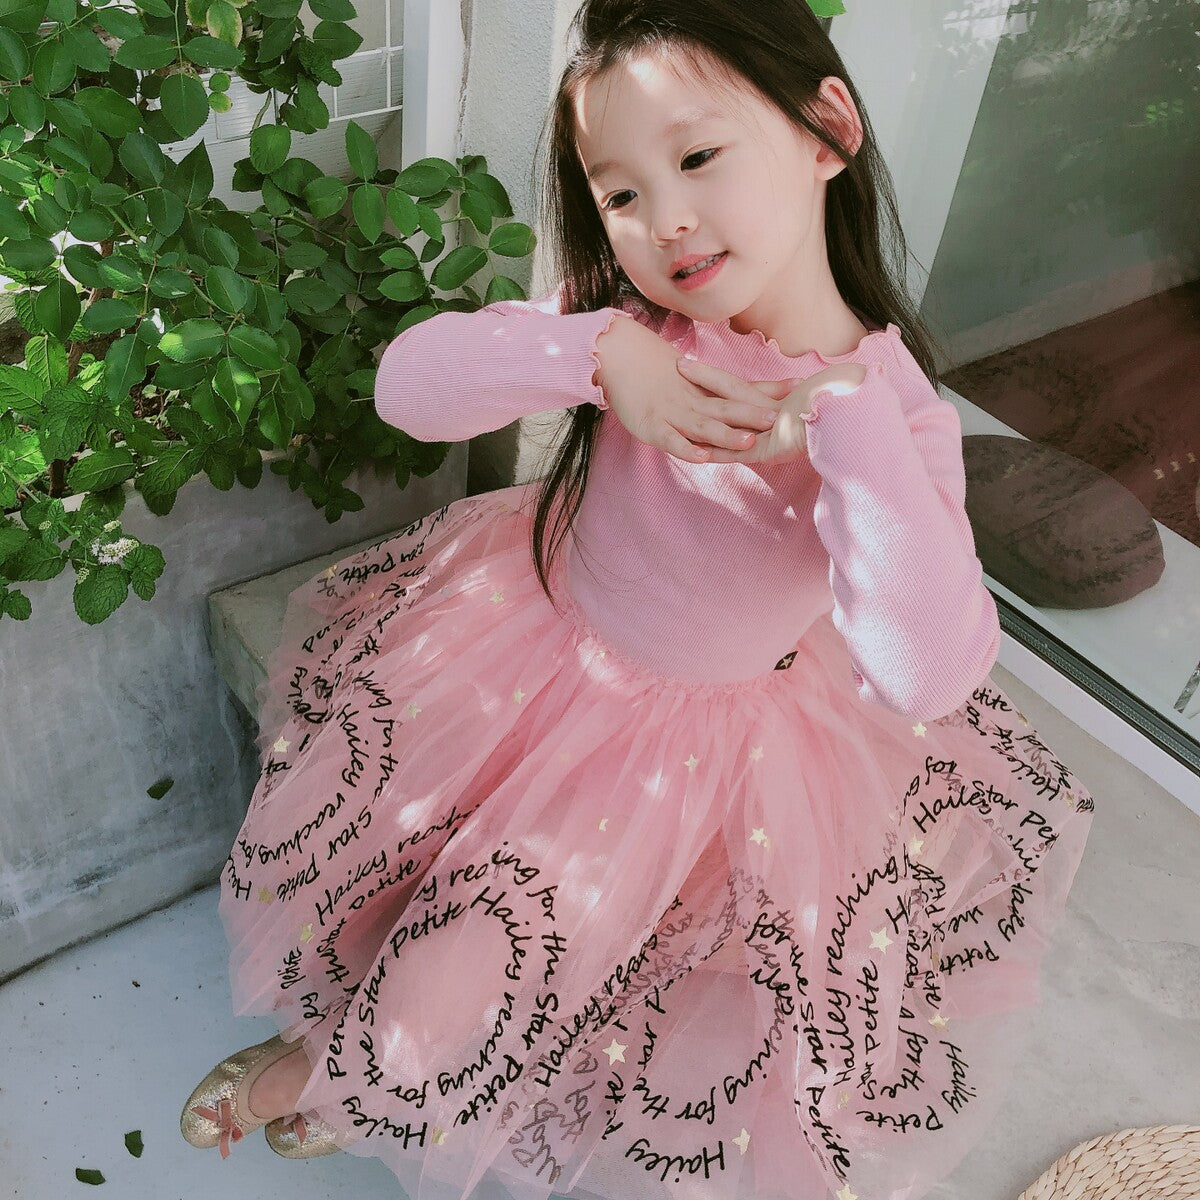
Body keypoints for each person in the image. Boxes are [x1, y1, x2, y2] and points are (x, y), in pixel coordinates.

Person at [180, 2, 1095, 1197]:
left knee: (478, 967)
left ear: (827, 129)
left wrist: (847, 423)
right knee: (394, 875)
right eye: (619, 191)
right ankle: (340, 1047)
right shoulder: (635, 320)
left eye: (699, 156)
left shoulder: (895, 414)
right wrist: (598, 356)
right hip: (516, 651)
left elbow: (925, 668)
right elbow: (411, 387)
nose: (665, 219)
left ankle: (352, 1080)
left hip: (677, 751)